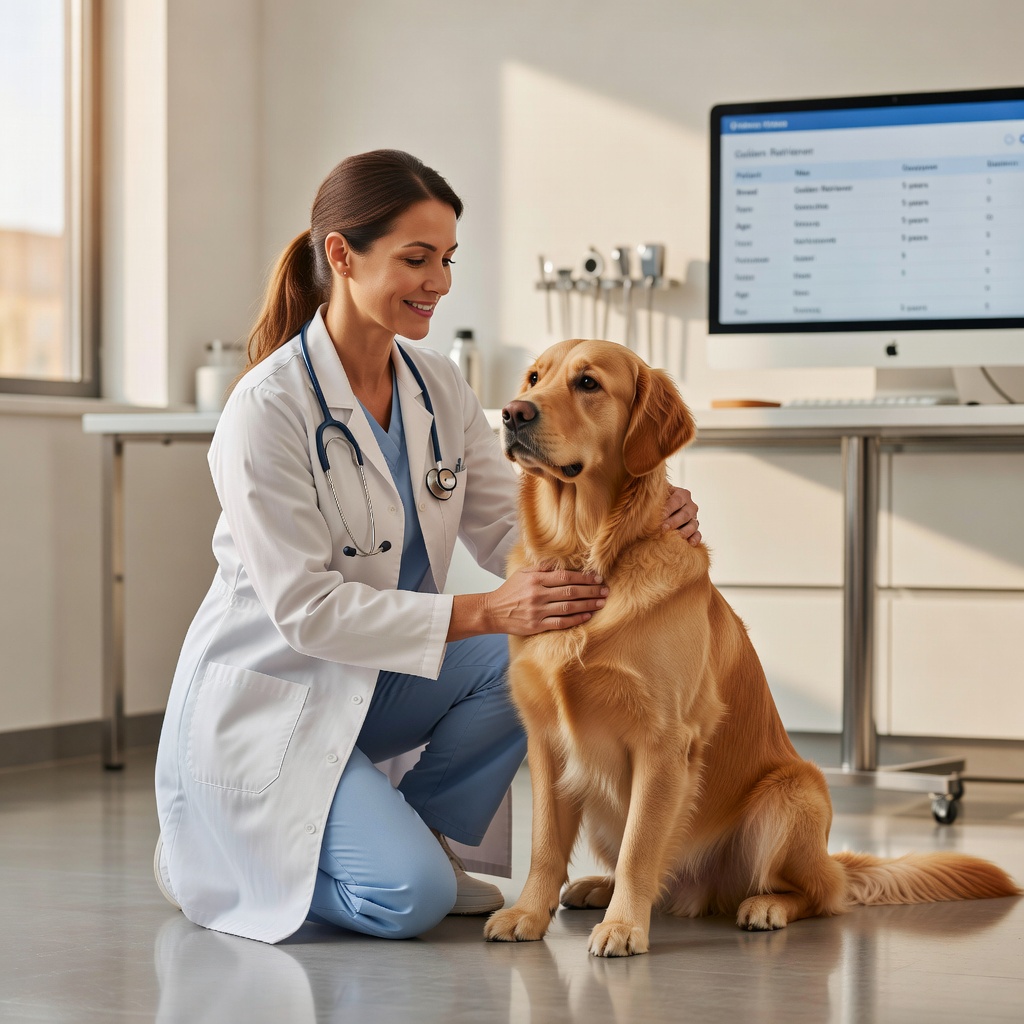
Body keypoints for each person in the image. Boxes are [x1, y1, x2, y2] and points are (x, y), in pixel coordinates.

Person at [153, 150, 702, 945]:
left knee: (544, 640)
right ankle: (217, 860)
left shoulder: (434, 382)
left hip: (373, 685)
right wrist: (486, 607)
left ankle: (423, 835)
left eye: (445, 259)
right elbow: (307, 613)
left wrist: (643, 513)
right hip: (278, 698)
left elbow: (508, 525)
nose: (438, 282)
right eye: (415, 259)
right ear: (341, 255)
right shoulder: (265, 409)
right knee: (404, 902)